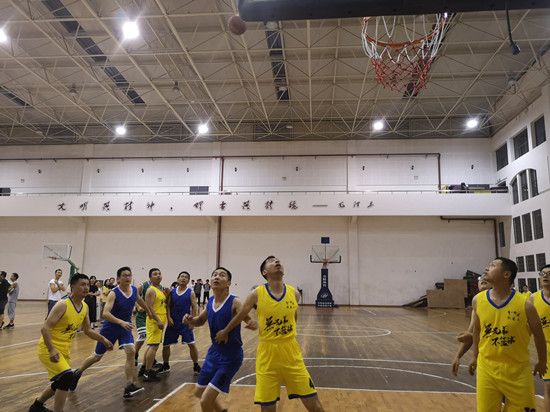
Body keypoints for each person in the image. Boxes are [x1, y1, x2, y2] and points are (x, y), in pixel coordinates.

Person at [215, 256, 324, 412]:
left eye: (279, 260)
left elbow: (294, 316)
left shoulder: (294, 293)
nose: (277, 262)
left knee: (316, 407)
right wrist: (225, 331)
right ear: (265, 272)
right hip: (267, 356)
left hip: (291, 354)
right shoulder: (256, 294)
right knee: (267, 410)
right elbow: (241, 314)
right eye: (272, 261)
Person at [468, 257, 547, 412]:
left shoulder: (525, 304)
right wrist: (474, 356)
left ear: (506, 274)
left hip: (518, 370)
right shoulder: (478, 300)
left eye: (492, 265)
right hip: (487, 368)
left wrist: (542, 361)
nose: (487, 268)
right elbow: (477, 330)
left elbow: (539, 334)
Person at [28, 273, 113, 412]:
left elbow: (87, 330)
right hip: (48, 348)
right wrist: (51, 349)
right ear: (72, 287)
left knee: (60, 381)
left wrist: (103, 339)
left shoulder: (84, 307)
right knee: (68, 377)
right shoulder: (63, 305)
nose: (86, 288)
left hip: (64, 351)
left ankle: (37, 406)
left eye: (87, 285)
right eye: (82, 285)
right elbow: (45, 328)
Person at [184, 267, 257, 412]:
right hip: (214, 354)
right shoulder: (210, 301)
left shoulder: (235, 301)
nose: (217, 277)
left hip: (231, 358)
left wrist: (250, 323)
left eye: (222, 275)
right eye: (214, 275)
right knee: (199, 393)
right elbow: (200, 321)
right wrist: (191, 320)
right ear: (210, 281)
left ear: (228, 283)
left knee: (205, 400)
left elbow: (249, 320)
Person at [70, 267, 150, 398]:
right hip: (110, 328)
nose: (128, 278)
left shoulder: (134, 290)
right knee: (97, 357)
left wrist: (149, 311)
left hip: (125, 328)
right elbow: (105, 314)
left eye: (129, 275)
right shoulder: (113, 293)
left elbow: (139, 300)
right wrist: (121, 322)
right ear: (118, 279)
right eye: (124, 275)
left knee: (131, 351)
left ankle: (129, 385)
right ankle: (78, 373)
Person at [159, 271, 201, 376]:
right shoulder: (172, 292)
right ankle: (165, 365)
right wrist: (169, 318)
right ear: (178, 279)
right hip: (173, 323)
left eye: (186, 277)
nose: (183, 278)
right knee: (166, 345)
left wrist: (193, 320)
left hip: (185, 323)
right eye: (181, 276)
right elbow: (168, 306)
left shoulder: (190, 292)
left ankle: (196, 365)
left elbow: (194, 307)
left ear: (188, 280)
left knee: (191, 344)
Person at [531, 264, 550, 412]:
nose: (545, 276)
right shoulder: (533, 299)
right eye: (542, 273)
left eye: (549, 274)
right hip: (546, 347)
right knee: (548, 386)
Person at [143, 268, 166, 382]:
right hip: (155, 321)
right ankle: (148, 372)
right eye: (155, 274)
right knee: (153, 346)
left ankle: (144, 368)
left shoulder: (159, 289)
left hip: (160, 319)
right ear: (150, 278)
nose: (158, 275)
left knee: (152, 346)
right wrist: (158, 321)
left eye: (159, 273)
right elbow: (149, 307)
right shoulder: (151, 290)